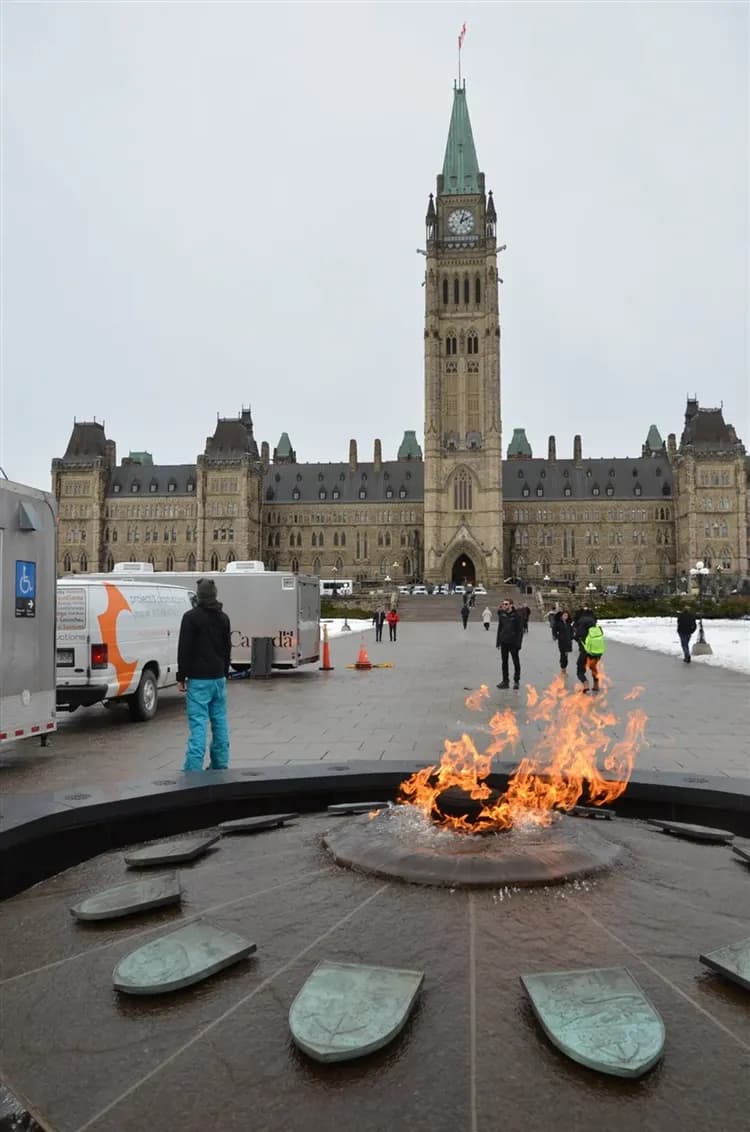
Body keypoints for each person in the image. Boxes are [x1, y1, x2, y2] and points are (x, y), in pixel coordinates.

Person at [177, 578, 232, 771]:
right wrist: (224, 671)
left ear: (199, 596)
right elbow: (227, 648)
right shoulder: (223, 618)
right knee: (220, 721)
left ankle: (193, 769)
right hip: (218, 677)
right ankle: (220, 763)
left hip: (199, 679)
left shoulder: (191, 618)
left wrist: (181, 676)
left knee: (198, 724)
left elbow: (184, 649)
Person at [573, 606, 604, 693]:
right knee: (593, 667)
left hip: (585, 650)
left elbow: (576, 636)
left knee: (580, 669)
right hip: (596, 651)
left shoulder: (581, 623)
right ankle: (596, 684)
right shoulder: (595, 625)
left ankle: (585, 683)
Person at [495, 598, 524, 689]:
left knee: (516, 662)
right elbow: (500, 629)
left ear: (511, 605)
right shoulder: (502, 615)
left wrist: (518, 644)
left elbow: (520, 631)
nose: (504, 605)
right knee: (504, 662)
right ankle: (505, 681)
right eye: (503, 604)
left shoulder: (517, 616)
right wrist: (498, 642)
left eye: (506, 604)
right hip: (504, 642)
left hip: (513, 642)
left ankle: (516, 681)